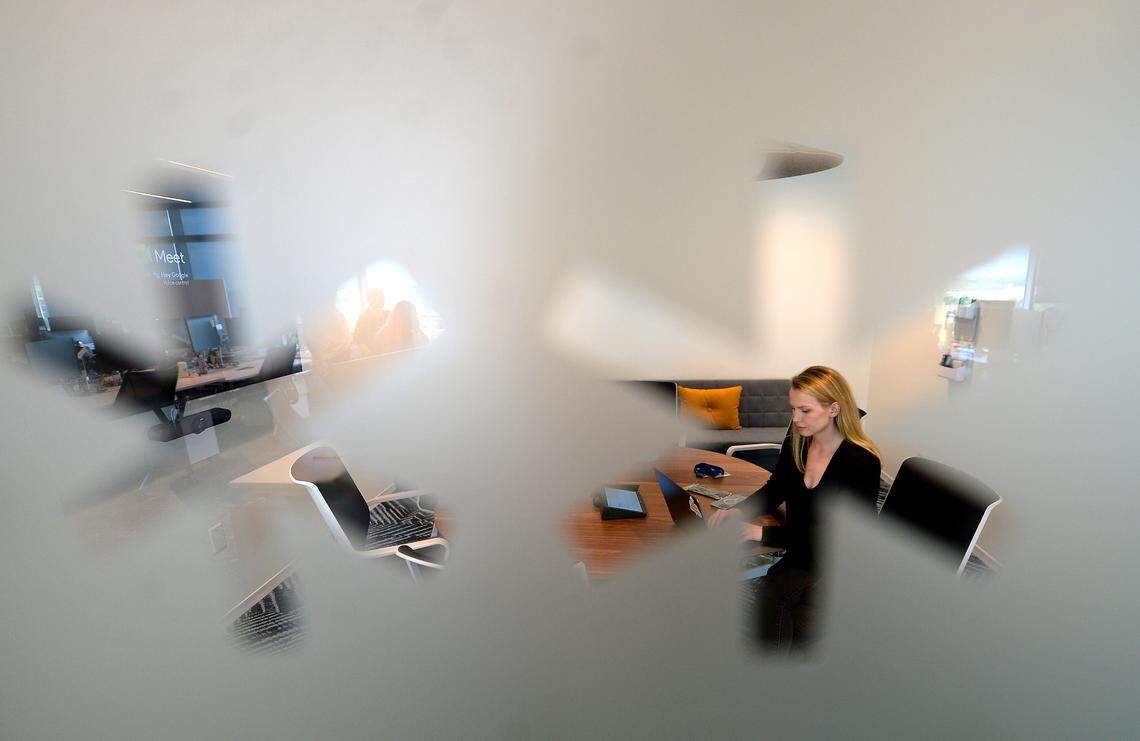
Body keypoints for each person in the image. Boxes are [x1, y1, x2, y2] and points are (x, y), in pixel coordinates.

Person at [709, 365, 881, 652]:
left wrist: (762, 534)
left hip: (834, 562)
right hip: (800, 552)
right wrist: (739, 510)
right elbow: (775, 488)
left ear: (834, 409)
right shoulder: (798, 444)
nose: (795, 419)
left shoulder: (861, 462)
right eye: (793, 409)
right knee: (772, 608)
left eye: (805, 410)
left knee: (776, 609)